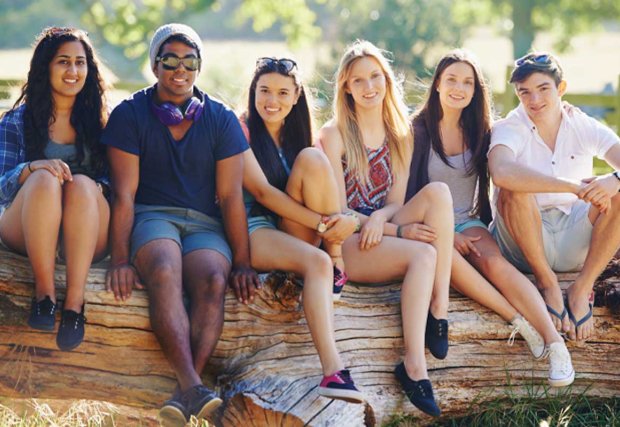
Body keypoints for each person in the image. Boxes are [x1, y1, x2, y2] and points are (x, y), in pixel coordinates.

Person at [101, 23, 259, 426]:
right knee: (165, 266)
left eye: (190, 61)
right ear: (155, 65)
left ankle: (182, 395)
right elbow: (124, 196)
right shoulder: (129, 115)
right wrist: (120, 260)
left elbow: (230, 198)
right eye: (170, 60)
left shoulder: (220, 119)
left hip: (205, 223)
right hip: (152, 216)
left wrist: (242, 262)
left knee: (212, 279)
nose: (180, 69)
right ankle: (192, 386)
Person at [406, 49, 574, 387]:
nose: (459, 88)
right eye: (451, 79)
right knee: (445, 254)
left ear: (475, 89)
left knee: (495, 264)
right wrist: (443, 233)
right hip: (425, 221)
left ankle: (555, 344)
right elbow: (406, 194)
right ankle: (517, 321)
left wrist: (564, 112)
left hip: (469, 221)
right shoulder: (415, 131)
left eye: (467, 82)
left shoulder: (482, 130)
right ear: (437, 83)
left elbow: (523, 129)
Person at [320, 40, 454, 417]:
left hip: (381, 229)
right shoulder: (333, 136)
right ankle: (414, 365)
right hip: (347, 242)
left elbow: (395, 201)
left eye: (375, 77)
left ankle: (438, 311)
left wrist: (383, 219)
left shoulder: (401, 133)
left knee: (439, 194)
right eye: (357, 81)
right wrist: (393, 230)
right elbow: (337, 211)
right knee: (424, 252)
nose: (368, 87)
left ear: (386, 79)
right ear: (345, 87)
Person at [238, 56, 364, 402]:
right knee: (318, 263)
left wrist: (348, 221)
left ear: (296, 97)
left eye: (282, 92)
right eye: (264, 91)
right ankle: (333, 372)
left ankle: (334, 256)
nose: (271, 101)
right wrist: (327, 225)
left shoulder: (302, 137)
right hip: (253, 228)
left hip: (292, 228)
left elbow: (331, 196)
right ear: (253, 93)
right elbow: (262, 192)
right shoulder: (240, 130)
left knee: (312, 158)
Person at [488, 52, 620, 343]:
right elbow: (500, 172)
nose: (534, 100)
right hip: (524, 243)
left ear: (561, 88)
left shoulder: (581, 123)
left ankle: (581, 287)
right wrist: (572, 186)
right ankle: (546, 282)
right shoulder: (510, 126)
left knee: (619, 196)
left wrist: (614, 179)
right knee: (514, 188)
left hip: (574, 237)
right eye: (525, 92)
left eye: (543, 89)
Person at [0, 27, 110, 351]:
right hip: (26, 228)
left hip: (89, 231)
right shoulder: (15, 122)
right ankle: (44, 295)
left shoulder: (105, 124)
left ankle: (75, 305)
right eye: (63, 61)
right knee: (45, 178)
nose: (73, 71)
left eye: (80, 62)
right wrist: (32, 169)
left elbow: (120, 188)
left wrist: (85, 190)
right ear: (46, 66)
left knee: (81, 186)